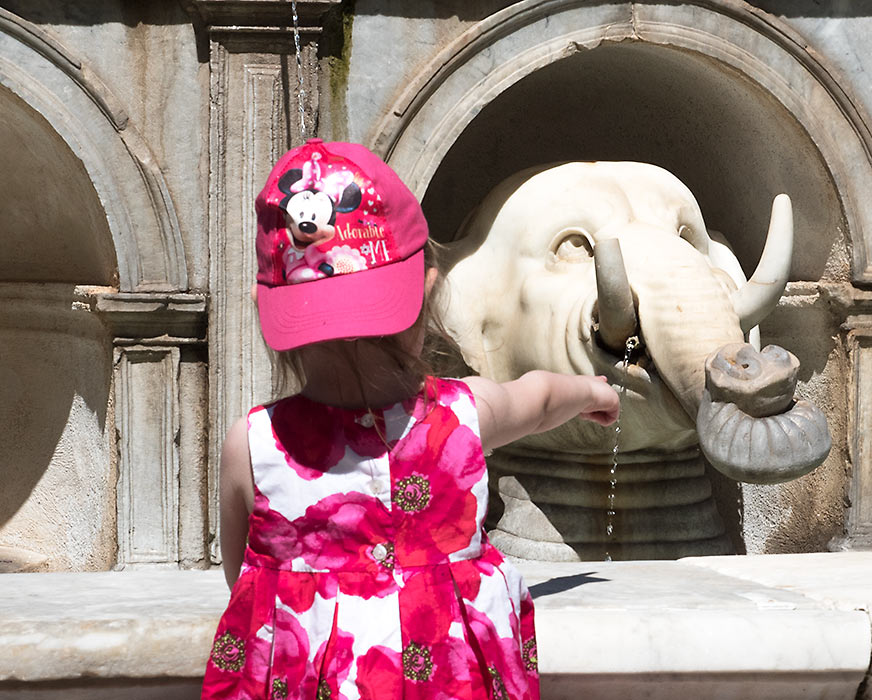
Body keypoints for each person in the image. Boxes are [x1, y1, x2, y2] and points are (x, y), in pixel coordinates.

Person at [202, 140, 620, 700]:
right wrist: (593, 390)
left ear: (273, 312)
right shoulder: (463, 417)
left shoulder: (255, 446)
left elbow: (245, 581)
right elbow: (540, 398)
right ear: (428, 287)